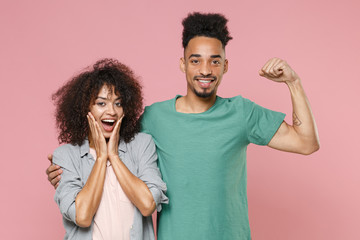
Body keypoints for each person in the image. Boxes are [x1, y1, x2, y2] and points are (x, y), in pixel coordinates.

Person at [47, 13, 319, 240]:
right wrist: (65, 168)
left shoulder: (242, 112)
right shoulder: (155, 118)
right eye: (196, 60)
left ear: (225, 66)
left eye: (214, 61)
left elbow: (306, 142)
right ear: (183, 64)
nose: (205, 69)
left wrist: (293, 82)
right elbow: (109, 142)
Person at [50, 58, 168, 240]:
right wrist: (100, 158)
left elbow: (147, 205)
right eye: (101, 103)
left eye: (118, 103)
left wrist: (113, 155)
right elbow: (82, 216)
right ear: (85, 108)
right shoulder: (66, 156)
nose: (111, 111)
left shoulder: (141, 145)